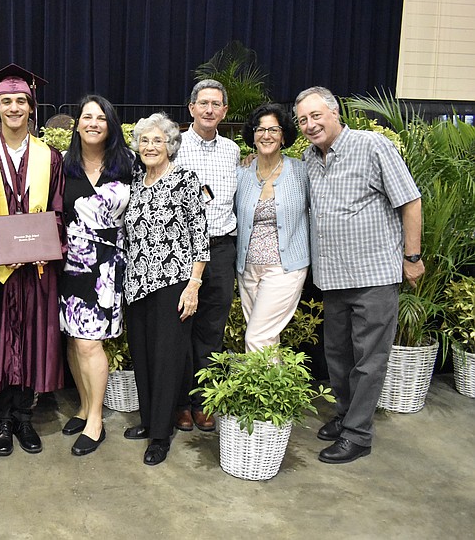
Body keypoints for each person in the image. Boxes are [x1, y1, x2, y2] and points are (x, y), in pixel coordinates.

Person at [294, 86, 424, 464]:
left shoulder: (372, 146)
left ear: (335, 113)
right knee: (337, 356)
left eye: (316, 115)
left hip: (373, 276)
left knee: (368, 360)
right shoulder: (309, 157)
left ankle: (358, 434)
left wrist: (412, 255)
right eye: (303, 119)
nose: (310, 125)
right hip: (333, 278)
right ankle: (346, 415)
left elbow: (410, 200)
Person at [0, 65, 65, 457]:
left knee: (30, 338)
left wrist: (40, 245)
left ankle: (24, 416)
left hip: (35, 268)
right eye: (7, 101)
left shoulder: (51, 157)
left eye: (21, 101)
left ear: (32, 108)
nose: (14, 108)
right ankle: (0, 419)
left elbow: (60, 212)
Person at [124, 113, 209, 466]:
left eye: (158, 140)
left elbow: (201, 236)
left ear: (171, 146)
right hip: (136, 282)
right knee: (142, 355)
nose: (150, 146)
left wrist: (194, 285)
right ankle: (148, 421)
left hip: (173, 284)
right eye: (145, 140)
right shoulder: (134, 180)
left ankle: (161, 435)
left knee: (166, 359)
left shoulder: (185, 179)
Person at [59, 95, 133, 456]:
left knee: (91, 343)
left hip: (107, 264)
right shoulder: (63, 165)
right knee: (74, 340)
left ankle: (96, 422)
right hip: (70, 262)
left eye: (100, 118)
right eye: (86, 116)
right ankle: (84, 407)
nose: (92, 123)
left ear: (110, 124)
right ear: (77, 124)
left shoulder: (128, 164)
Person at [173, 79, 240, 432]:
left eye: (216, 104)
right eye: (203, 103)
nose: (209, 110)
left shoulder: (232, 150)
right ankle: (180, 403)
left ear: (224, 111)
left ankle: (203, 402)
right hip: (182, 251)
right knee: (181, 326)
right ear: (191, 108)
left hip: (221, 248)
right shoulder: (175, 145)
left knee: (212, 330)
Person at [236, 104, 309, 352]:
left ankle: (254, 392)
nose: (266, 135)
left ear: (284, 136)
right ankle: (272, 390)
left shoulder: (301, 171)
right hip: (247, 269)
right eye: (260, 129)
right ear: (253, 134)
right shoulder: (242, 172)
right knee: (266, 341)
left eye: (273, 130)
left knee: (256, 337)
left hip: (284, 269)